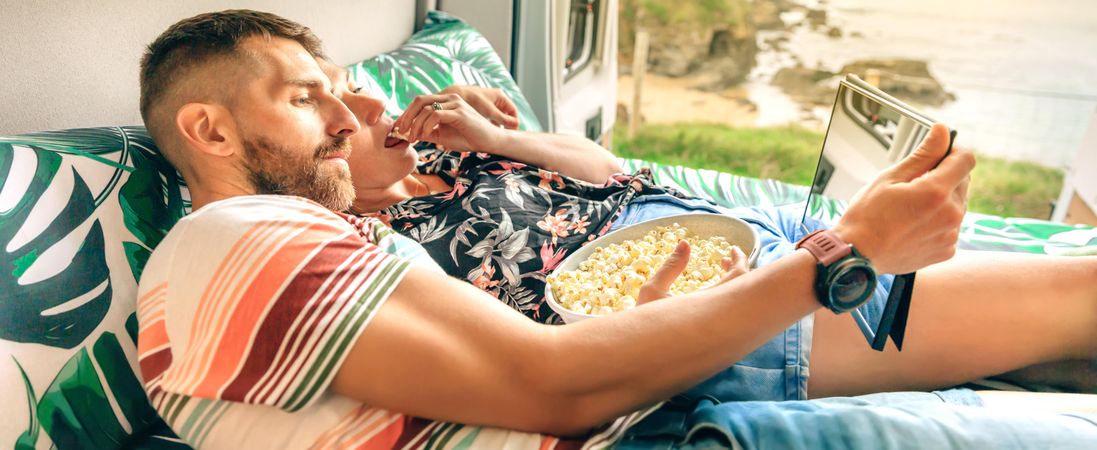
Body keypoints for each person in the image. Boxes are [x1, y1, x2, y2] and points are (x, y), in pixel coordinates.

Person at [135, 10, 1097, 450]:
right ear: (210, 131)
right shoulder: (236, 236)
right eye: (308, 100)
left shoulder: (298, 236)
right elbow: (548, 384)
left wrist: (626, 316)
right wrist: (838, 256)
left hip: (660, 368)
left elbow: (554, 364)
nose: (351, 118)